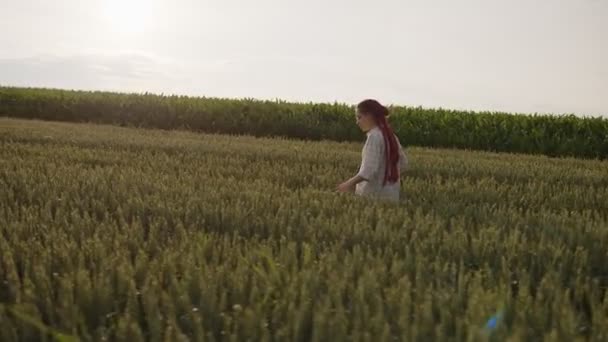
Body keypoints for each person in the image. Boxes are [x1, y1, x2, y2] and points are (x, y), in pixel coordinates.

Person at [336, 99, 408, 202]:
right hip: (392, 196)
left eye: (359, 117)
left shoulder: (374, 137)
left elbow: (368, 170)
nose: (357, 122)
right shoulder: (391, 136)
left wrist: (348, 184)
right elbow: (404, 164)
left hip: (372, 196)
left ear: (369, 116)